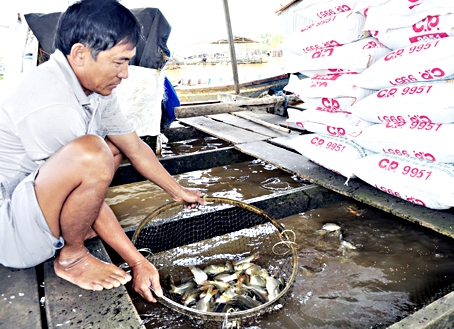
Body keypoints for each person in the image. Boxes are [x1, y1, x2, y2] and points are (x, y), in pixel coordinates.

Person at [0, 0, 205, 303]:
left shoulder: (94, 87)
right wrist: (136, 261)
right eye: (119, 61)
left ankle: (70, 230)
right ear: (81, 53)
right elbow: (90, 168)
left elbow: (134, 146)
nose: (125, 74)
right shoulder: (50, 99)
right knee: (95, 153)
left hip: (35, 198)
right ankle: (71, 257)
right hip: (11, 233)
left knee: (112, 150)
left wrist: (177, 191)